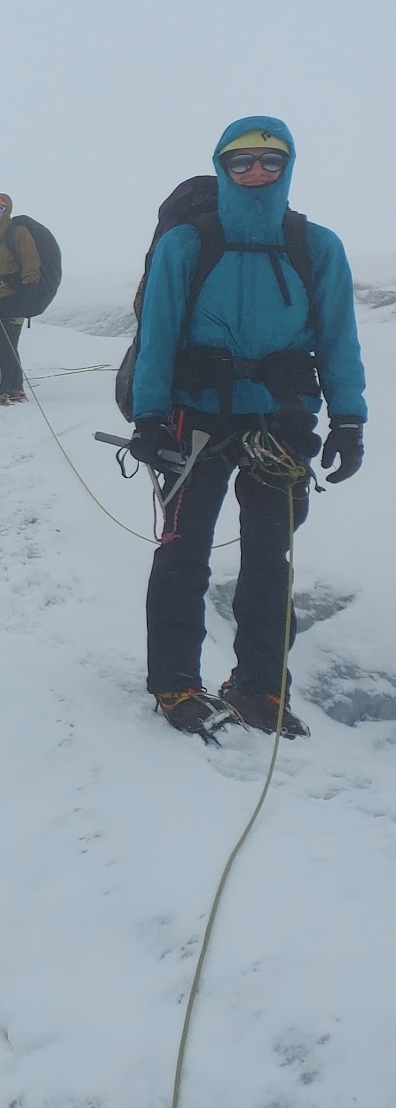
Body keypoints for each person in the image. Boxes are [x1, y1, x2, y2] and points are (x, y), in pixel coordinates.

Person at [125, 117, 367, 738]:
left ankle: (261, 688)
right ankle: (176, 682)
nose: (255, 171)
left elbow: (339, 338)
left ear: (288, 165)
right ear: (222, 166)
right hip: (194, 415)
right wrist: (150, 416)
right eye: (241, 161)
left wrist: (349, 420)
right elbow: (157, 337)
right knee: (185, 551)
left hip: (280, 422)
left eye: (269, 160)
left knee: (270, 558)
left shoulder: (318, 246)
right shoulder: (187, 244)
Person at [0, 192, 42, 404]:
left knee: (3, 344)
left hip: (14, 297)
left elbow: (31, 262)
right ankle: (15, 388)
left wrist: (28, 293)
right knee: (6, 344)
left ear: (7, 209)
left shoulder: (18, 233)